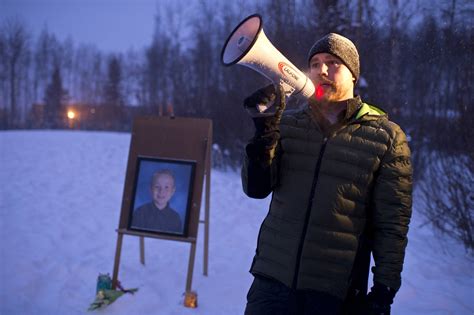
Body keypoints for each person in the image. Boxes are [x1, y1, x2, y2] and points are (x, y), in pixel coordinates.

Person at [241, 33, 412, 315]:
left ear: (353, 75)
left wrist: (384, 290)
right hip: (271, 282)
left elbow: (392, 224)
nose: (322, 70)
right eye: (316, 63)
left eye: (333, 63)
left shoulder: (387, 138)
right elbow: (256, 188)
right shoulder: (287, 123)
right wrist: (263, 132)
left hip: (334, 292)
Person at [131, 169, 182, 234]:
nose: (161, 191)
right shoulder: (139, 213)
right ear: (150, 189)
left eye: (166, 187)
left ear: (173, 191)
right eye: (157, 187)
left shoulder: (176, 218)